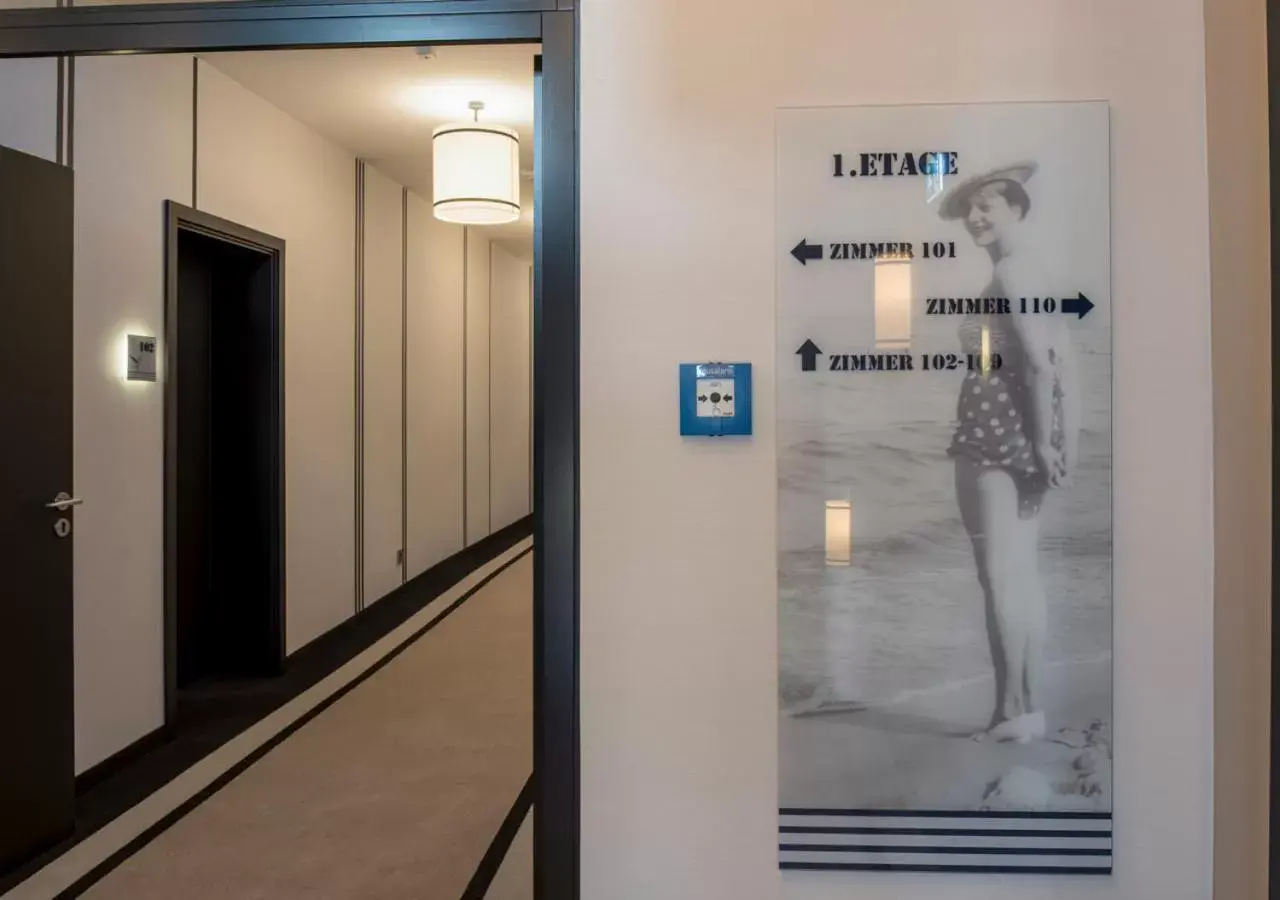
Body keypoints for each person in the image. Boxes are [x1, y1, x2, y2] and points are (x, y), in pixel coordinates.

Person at [939, 162, 1080, 744]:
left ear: (1016, 209)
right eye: (970, 209)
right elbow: (1065, 363)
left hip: (996, 437)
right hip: (1022, 436)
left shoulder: (1013, 274)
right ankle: (1026, 708)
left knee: (999, 577)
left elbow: (1043, 363)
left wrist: (1045, 444)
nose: (974, 217)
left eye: (987, 207)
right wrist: (1061, 444)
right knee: (1021, 577)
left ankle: (1012, 712)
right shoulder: (1034, 271)